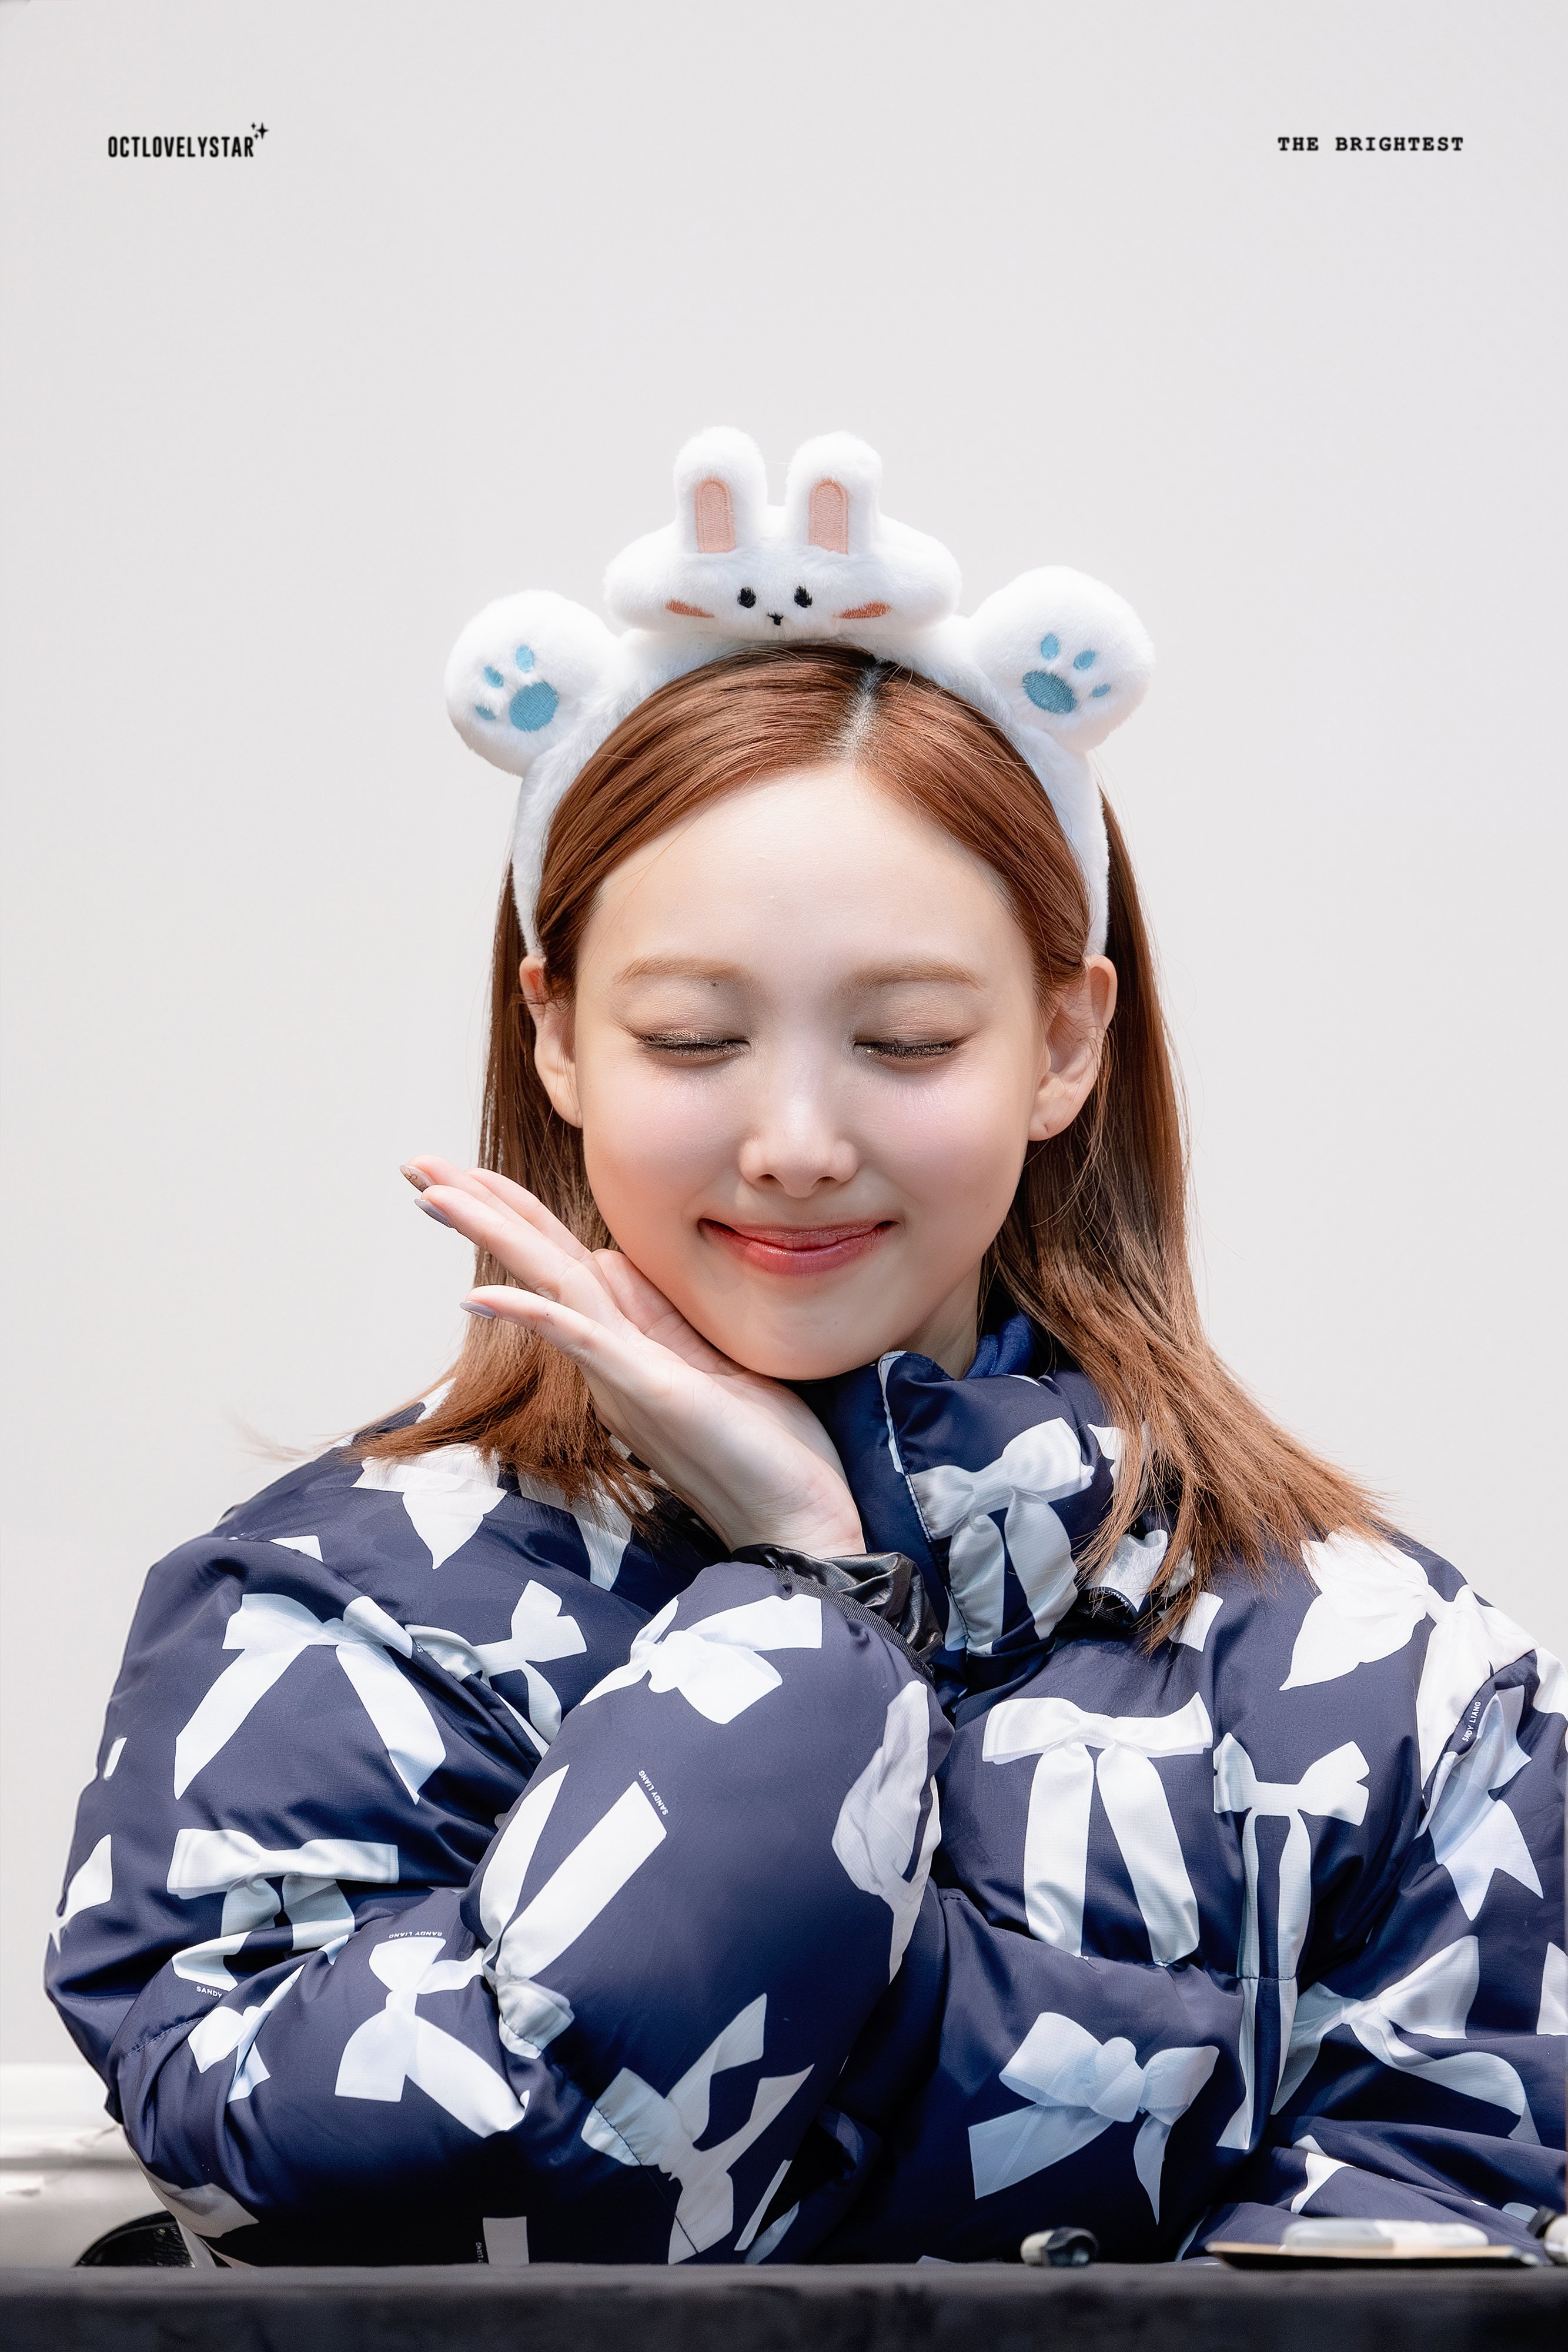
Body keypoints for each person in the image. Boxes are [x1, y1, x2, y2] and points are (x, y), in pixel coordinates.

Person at [46, 433, 1564, 2269]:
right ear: (555, 1035)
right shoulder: (321, 1615)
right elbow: (337, 2186)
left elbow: (1441, 2269)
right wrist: (799, 1604)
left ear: (1063, 1045)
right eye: (693, 1040)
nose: (792, 1142)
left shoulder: (1380, 1678)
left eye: (906, 1041)